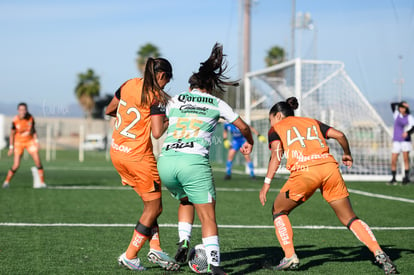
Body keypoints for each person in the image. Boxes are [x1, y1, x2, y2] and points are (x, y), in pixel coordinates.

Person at [259, 97, 397, 274]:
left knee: (278, 210)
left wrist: (266, 184)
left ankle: (290, 256)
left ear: (277, 115)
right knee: (350, 218)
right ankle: (378, 252)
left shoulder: (276, 128)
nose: (270, 123)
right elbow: (339, 135)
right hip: (330, 169)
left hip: (304, 172)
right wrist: (347, 154)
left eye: (270, 119)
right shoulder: (311, 122)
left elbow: (277, 155)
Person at [157, 43, 254, 275]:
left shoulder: (175, 100)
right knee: (208, 216)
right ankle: (216, 266)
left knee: (185, 200)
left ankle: (183, 241)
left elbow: (161, 125)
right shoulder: (217, 103)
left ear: (190, 85)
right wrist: (248, 140)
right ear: (209, 87)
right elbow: (243, 126)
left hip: (167, 162)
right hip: (193, 163)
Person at [105, 57, 179, 271]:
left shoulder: (128, 84)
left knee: (151, 205)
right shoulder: (155, 96)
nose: (166, 85)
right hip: (139, 158)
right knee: (155, 206)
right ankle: (130, 255)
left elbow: (110, 109)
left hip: (118, 152)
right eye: (167, 81)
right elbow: (157, 132)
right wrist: (172, 118)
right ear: (161, 75)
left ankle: (155, 247)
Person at [2, 103, 46, 189]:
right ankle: (6, 182)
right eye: (21, 110)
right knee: (16, 165)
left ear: (27, 110)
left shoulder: (30, 118)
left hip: (30, 142)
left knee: (38, 161)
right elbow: (12, 135)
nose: (23, 112)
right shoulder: (15, 121)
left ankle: (42, 182)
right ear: (18, 110)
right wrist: (11, 147)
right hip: (18, 143)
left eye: (24, 109)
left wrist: (36, 141)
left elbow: (33, 130)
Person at [389, 101, 414, 185]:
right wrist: (401, 103)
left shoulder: (409, 117)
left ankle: (406, 178)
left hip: (405, 141)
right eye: (401, 107)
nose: (402, 109)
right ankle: (393, 178)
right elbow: (392, 104)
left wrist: (407, 133)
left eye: (403, 107)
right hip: (396, 141)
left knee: (406, 159)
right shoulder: (396, 115)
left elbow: (413, 127)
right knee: (393, 160)